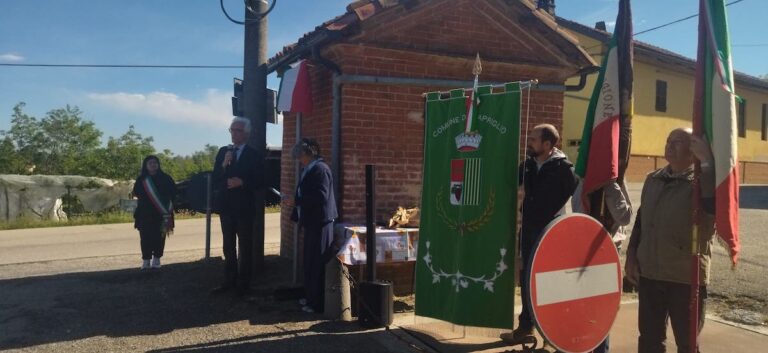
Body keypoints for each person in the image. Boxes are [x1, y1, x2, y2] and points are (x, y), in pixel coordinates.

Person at [625, 128, 715, 353]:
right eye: (668, 140)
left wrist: (707, 163)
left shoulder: (701, 183)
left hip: (684, 276)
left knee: (687, 343)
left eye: (678, 141)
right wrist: (632, 254)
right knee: (649, 340)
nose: (669, 145)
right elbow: (641, 220)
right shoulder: (653, 179)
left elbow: (714, 208)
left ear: (692, 150)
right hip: (651, 273)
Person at [501, 124, 577, 344]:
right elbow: (509, 182)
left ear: (547, 144)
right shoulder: (529, 165)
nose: (529, 143)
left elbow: (567, 195)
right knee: (526, 279)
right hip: (528, 230)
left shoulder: (564, 169)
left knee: (547, 282)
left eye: (534, 139)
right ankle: (526, 327)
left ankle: (552, 332)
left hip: (550, 232)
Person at [572, 180, 633, 353]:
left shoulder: (616, 179)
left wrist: (610, 185)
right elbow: (578, 211)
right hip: (585, 251)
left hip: (607, 251)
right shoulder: (583, 178)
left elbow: (625, 217)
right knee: (583, 308)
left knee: (601, 310)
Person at [283, 138, 338, 313]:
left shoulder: (320, 169)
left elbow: (321, 197)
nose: (300, 159)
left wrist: (296, 201)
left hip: (321, 222)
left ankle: (318, 303)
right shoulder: (310, 169)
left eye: (302, 156)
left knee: (317, 262)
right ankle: (310, 297)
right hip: (313, 221)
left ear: (310, 154)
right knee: (310, 262)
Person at [211, 117, 263, 296]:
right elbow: (216, 178)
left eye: (237, 130)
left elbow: (261, 181)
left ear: (246, 133)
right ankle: (229, 280)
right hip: (226, 207)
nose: (234, 134)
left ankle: (244, 283)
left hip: (244, 208)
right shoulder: (223, 151)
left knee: (245, 245)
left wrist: (242, 182)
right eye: (231, 130)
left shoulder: (254, 155)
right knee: (228, 245)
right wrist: (224, 164)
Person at [133, 155, 176, 270]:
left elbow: (173, 193)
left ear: (158, 164)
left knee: (159, 237)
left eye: (155, 162)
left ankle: (157, 259)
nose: (153, 165)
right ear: (146, 166)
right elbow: (136, 193)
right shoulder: (141, 180)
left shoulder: (166, 178)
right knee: (145, 237)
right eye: (150, 163)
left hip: (161, 214)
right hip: (145, 214)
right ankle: (146, 260)